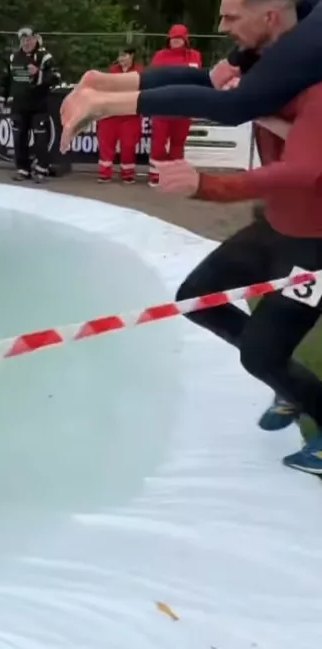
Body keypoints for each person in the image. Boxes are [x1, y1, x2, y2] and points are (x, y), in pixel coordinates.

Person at [157, 77, 322, 476]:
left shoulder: (308, 80)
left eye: (232, 17)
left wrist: (258, 110)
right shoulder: (267, 70)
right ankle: (288, 384)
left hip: (315, 242)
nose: (224, 28)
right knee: (197, 297)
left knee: (261, 355)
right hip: (275, 223)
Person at [60, 0, 322, 150]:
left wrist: (104, 105)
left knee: (234, 101)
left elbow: (236, 107)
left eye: (232, 18)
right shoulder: (300, 14)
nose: (221, 28)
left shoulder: (308, 42)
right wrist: (237, 57)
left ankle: (101, 102)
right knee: (214, 79)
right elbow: (212, 81)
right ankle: (103, 84)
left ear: (270, 18)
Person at [0, 27, 60, 183]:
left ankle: (41, 170)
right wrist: (0, 98)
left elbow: (56, 77)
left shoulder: (45, 56)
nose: (26, 42)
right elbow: (5, 79)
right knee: (19, 138)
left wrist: (38, 73)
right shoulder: (14, 57)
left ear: (35, 39)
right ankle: (23, 170)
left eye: (29, 39)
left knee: (40, 138)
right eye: (23, 39)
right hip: (19, 105)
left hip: (38, 105)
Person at [146, 25, 202, 185]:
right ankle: (155, 175)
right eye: (173, 38)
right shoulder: (160, 56)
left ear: (185, 40)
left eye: (179, 38)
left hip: (185, 106)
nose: (175, 41)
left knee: (178, 142)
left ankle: (174, 177)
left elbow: (195, 78)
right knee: (159, 141)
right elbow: (152, 78)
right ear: (168, 40)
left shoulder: (194, 56)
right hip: (162, 104)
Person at [96, 47, 143, 183]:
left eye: (125, 56)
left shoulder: (140, 71)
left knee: (128, 144)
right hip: (112, 113)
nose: (121, 59)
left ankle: (127, 174)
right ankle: (105, 173)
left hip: (130, 114)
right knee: (106, 142)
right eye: (120, 56)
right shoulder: (111, 71)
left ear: (132, 56)